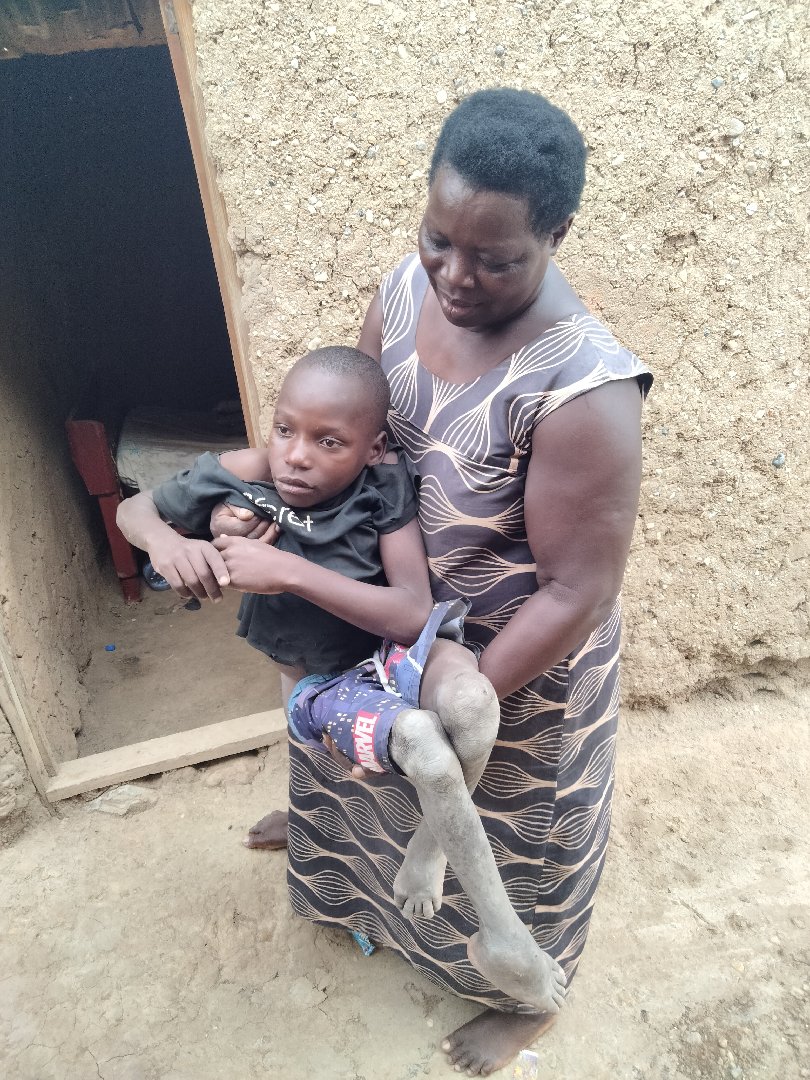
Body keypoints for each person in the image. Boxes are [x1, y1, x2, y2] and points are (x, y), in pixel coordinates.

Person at [228, 88, 653, 1075]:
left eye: (495, 259)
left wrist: (450, 702)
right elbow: (351, 431)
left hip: (508, 667)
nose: (456, 277)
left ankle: (526, 994)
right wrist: (273, 508)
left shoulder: (584, 389)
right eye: (438, 241)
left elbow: (576, 593)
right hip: (381, 618)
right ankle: (335, 858)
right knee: (352, 756)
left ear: (556, 235)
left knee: (506, 831)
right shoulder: (402, 293)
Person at [116, 346, 568, 1016]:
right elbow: (135, 511)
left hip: (393, 649)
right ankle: (502, 935)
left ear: (374, 448)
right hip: (323, 683)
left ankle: (427, 850)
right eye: (285, 429)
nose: (296, 456)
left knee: (474, 702)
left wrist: (290, 573)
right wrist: (169, 544)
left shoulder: (382, 486)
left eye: (329, 442)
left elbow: (411, 610)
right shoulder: (245, 474)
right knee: (423, 742)